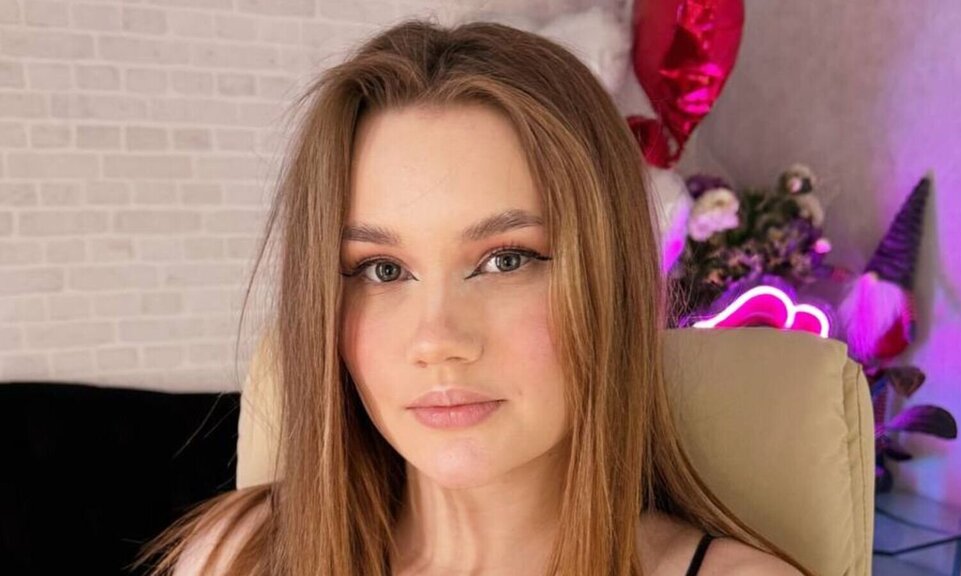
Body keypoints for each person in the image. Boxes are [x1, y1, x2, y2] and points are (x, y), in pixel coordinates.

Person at [133, 17, 805, 576]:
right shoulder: (239, 557)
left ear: (614, 285)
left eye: (505, 260)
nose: (437, 341)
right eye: (382, 270)